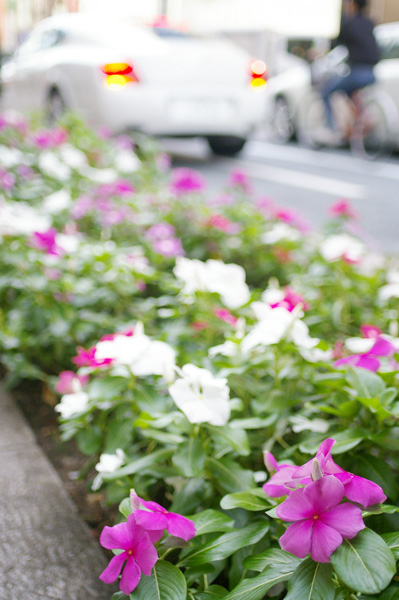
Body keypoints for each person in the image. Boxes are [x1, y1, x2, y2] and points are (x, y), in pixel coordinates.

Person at [318, 0, 380, 143]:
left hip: (357, 72)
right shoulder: (369, 23)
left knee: (326, 91)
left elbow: (337, 46)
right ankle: (364, 118)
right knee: (348, 91)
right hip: (372, 72)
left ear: (353, 5)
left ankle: (331, 128)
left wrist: (321, 54)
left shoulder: (348, 23)